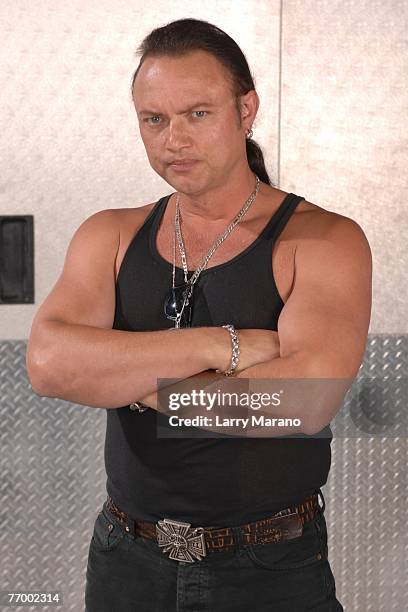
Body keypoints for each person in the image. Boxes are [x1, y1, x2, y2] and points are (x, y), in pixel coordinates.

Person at [26, 18, 372, 612]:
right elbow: (50, 365)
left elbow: (301, 404)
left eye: (198, 114)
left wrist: (131, 384)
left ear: (246, 109)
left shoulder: (321, 241)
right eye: (153, 119)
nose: (173, 139)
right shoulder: (109, 234)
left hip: (269, 566)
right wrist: (222, 348)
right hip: (126, 560)